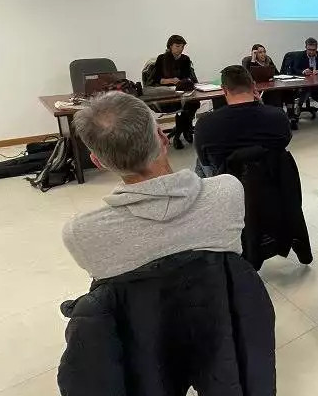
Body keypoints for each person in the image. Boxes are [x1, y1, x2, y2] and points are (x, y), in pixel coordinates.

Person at [62, 91, 245, 280]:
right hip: (221, 305)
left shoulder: (81, 232)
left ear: (98, 162)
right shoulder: (228, 190)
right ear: (163, 137)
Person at [194, 64, 292, 176]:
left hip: (228, 184)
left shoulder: (205, 124)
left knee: (200, 161)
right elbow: (285, 140)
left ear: (224, 90)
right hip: (270, 179)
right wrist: (262, 106)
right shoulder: (278, 116)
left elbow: (205, 161)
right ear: (254, 86)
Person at [150, 34, 200, 149]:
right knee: (185, 105)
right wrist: (171, 80)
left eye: (182, 46)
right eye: (177, 46)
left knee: (193, 103)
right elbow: (156, 79)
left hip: (183, 91)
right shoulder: (161, 59)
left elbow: (188, 77)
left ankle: (181, 132)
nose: (181, 49)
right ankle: (181, 133)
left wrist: (184, 82)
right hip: (167, 93)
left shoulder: (185, 59)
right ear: (170, 46)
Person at [286, 37, 318, 116]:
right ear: (306, 48)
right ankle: (299, 106)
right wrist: (303, 71)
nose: (311, 52)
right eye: (309, 49)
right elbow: (294, 69)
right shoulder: (300, 55)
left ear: (316, 48)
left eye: (313, 50)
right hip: (305, 84)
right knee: (306, 92)